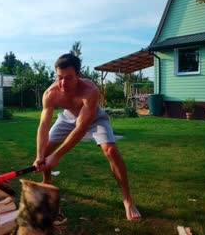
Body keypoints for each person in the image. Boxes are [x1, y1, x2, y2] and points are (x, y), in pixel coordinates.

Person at [33, 53, 141, 221]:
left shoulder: (90, 91)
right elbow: (43, 126)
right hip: (68, 117)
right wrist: (41, 155)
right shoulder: (50, 93)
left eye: (68, 78)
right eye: (59, 77)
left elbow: (81, 128)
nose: (62, 83)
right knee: (46, 150)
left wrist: (57, 155)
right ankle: (47, 182)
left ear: (79, 75)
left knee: (111, 150)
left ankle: (128, 200)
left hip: (94, 117)